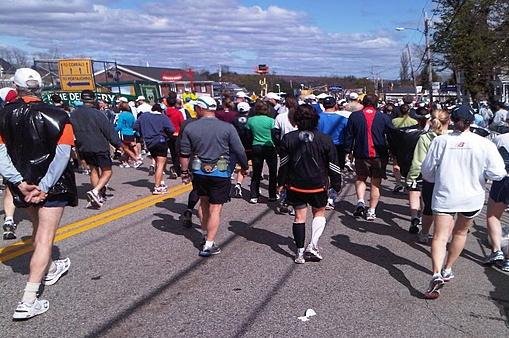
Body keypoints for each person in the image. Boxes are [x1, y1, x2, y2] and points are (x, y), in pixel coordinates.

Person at [0, 68, 78, 319]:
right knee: (45, 237)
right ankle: (28, 300)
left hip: (23, 184)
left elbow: (1, 154)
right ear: (39, 87)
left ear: (17, 86)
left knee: (37, 228)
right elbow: (63, 155)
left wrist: (20, 182)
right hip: (51, 186)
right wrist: (45, 186)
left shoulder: (3, 115)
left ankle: (52, 266)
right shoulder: (59, 115)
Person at [421, 105, 506, 299]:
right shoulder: (484, 143)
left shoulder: (440, 141)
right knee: (460, 233)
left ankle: (435, 273)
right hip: (472, 197)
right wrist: (483, 175)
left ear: (451, 120)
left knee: (440, 236)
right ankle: (448, 268)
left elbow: (427, 171)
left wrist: (437, 178)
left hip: (445, 194)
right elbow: (498, 173)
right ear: (472, 121)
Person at [179, 96, 248, 257]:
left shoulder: (190, 127)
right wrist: (244, 166)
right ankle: (208, 243)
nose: (195, 110)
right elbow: (239, 150)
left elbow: (184, 153)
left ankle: (205, 235)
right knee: (215, 208)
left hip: (198, 170)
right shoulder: (227, 127)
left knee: (203, 202)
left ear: (201, 108)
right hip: (221, 171)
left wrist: (184, 172)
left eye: (196, 107)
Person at [278, 104, 342, 263]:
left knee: (299, 217)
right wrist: (336, 183)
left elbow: (284, 164)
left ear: (295, 120)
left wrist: (281, 182)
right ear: (315, 119)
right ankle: (312, 245)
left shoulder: (288, 138)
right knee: (319, 213)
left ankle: (299, 253)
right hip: (318, 184)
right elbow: (334, 165)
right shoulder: (325, 139)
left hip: (295, 184)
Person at [71, 90, 125, 208]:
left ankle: (98, 195)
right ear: (93, 99)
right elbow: (108, 131)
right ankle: (96, 191)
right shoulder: (98, 114)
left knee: (93, 170)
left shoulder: (73, 114)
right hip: (99, 146)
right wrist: (118, 144)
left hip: (83, 146)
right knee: (107, 170)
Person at [344, 94, 393, 221]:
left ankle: (360, 201)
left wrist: (348, 151)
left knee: (360, 179)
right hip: (379, 154)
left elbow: (349, 135)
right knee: (375, 183)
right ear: (377, 103)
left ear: (363, 103)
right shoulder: (384, 117)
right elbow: (391, 137)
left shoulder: (354, 116)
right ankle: (371, 211)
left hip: (360, 153)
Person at [406, 110, 450, 241]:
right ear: (449, 121)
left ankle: (424, 233)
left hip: (429, 178)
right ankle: (444, 237)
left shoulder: (425, 138)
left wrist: (412, 177)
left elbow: (418, 161)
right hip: (449, 178)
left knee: (428, 208)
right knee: (447, 211)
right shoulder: (452, 138)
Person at [134, 103, 175, 194]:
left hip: (149, 142)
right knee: (161, 164)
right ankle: (157, 186)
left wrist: (144, 131)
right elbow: (171, 129)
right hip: (160, 141)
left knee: (157, 162)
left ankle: (161, 182)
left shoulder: (144, 116)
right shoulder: (163, 117)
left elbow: (135, 126)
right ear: (162, 110)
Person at [317, 96, 348, 210]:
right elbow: (347, 134)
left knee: (322, 170)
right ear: (335, 105)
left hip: (320, 146)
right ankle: (331, 196)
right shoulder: (343, 119)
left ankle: (323, 193)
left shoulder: (317, 118)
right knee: (336, 171)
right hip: (337, 147)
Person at [484, 131, 509, 271]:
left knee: (493, 216)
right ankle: (507, 261)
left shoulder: (500, 139)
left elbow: (490, 161)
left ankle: (497, 250)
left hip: (504, 180)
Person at [246, 100, 278, 204]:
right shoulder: (271, 121)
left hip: (256, 146)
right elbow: (274, 135)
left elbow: (248, 135)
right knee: (273, 172)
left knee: (256, 172)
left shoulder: (250, 120)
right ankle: (272, 195)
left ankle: (254, 195)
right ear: (267, 110)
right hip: (269, 147)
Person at [391, 104, 419, 193]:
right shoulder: (414, 121)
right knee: (409, 163)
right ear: (409, 111)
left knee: (396, 164)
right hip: (410, 145)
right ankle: (408, 183)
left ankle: (398, 183)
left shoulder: (394, 121)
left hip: (396, 145)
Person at [231, 101, 253, 198]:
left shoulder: (233, 120)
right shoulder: (251, 120)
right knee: (247, 167)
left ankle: (238, 184)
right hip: (249, 147)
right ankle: (253, 188)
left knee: (238, 166)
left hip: (237, 146)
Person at [115, 102, 142, 169]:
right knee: (128, 148)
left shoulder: (121, 115)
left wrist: (113, 131)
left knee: (125, 148)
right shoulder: (131, 115)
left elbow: (119, 126)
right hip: (131, 132)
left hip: (124, 133)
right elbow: (134, 124)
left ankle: (136, 159)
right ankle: (126, 162)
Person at [166, 96, 185, 178]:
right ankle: (180, 169)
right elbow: (182, 123)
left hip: (168, 134)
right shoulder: (178, 113)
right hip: (177, 134)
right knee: (179, 153)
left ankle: (176, 168)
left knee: (173, 153)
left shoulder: (165, 113)